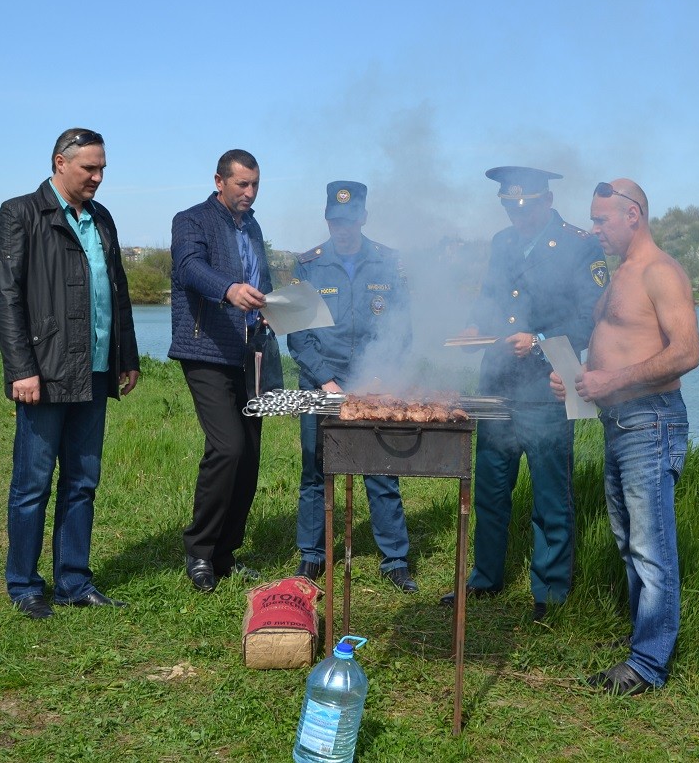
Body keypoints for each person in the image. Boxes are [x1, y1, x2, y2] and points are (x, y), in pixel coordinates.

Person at [550, 178, 699, 695]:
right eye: (591, 220)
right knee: (629, 541)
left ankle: (648, 665)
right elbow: (614, 348)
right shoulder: (619, 278)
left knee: (651, 545)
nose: (595, 230)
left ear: (633, 214)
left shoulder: (661, 272)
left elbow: (686, 353)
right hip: (620, 422)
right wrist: (577, 375)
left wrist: (610, 380)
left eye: (602, 220)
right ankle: (643, 646)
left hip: (651, 420)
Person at [441, 166, 607, 622]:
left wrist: (536, 340)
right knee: (491, 488)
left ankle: (550, 592)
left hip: (546, 385)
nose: (519, 214)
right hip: (496, 384)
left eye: (527, 206)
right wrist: (475, 328)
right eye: (511, 207)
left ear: (547, 200)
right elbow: (490, 301)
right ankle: (485, 579)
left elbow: (589, 319)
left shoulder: (579, 244)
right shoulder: (502, 242)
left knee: (551, 492)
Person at [0, 127, 140, 620]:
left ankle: (74, 581)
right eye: (89, 168)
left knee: (82, 481)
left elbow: (117, 291)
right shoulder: (21, 213)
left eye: (102, 169)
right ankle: (25, 585)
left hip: (94, 371)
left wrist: (127, 357)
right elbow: (5, 298)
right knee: (33, 483)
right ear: (60, 162)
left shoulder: (102, 218)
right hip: (45, 372)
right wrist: (21, 370)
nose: (97, 177)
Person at [287, 181, 419, 593]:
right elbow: (296, 333)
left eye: (349, 220)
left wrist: (380, 376)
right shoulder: (307, 265)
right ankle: (312, 554)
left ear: (362, 218)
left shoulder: (388, 263)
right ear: (327, 219)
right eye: (334, 220)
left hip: (373, 380)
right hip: (320, 382)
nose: (342, 228)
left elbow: (402, 329)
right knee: (315, 469)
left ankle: (395, 560)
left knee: (380, 469)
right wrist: (326, 380)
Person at [169, 148, 282, 593]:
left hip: (251, 351)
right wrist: (229, 289)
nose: (250, 194)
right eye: (242, 185)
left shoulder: (252, 225)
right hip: (207, 350)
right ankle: (199, 550)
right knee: (229, 448)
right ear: (219, 181)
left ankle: (226, 553)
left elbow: (261, 278)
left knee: (250, 456)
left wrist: (272, 305)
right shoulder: (191, 220)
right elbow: (189, 268)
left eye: (255, 185)